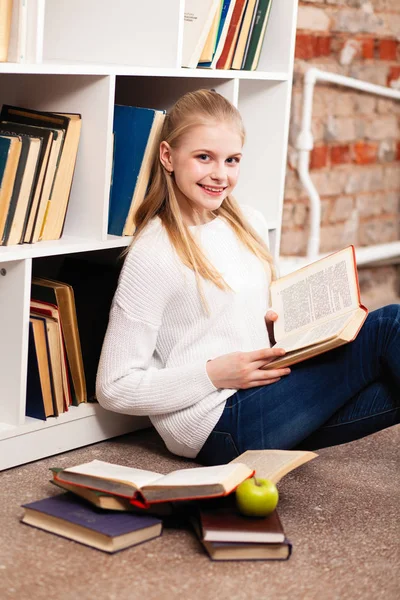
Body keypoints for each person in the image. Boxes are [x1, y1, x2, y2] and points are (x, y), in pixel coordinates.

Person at [96, 89, 400, 466]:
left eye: (232, 160)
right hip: (215, 423)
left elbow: (239, 323)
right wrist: (213, 374)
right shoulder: (154, 254)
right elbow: (113, 388)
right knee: (391, 326)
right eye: (203, 157)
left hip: (268, 388)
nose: (219, 174)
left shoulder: (249, 223)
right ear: (168, 157)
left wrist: (289, 330)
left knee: (392, 380)